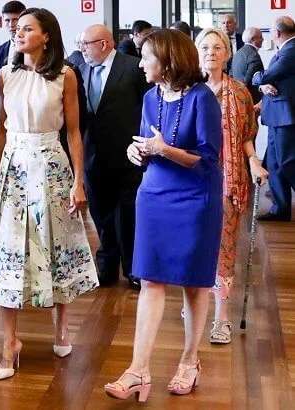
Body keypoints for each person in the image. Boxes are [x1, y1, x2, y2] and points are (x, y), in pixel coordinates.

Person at [0, 7, 99, 380]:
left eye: (27, 28)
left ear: (46, 36)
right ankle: (9, 342)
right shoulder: (4, 75)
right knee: (9, 251)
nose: (18, 32)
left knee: (57, 245)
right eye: (17, 27)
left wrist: (79, 181)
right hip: (14, 166)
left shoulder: (66, 75)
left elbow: (75, 133)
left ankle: (60, 326)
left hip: (51, 165)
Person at [105, 29, 223, 402]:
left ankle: (190, 361)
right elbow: (146, 140)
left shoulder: (202, 98)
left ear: (168, 60)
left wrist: (164, 149)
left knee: (193, 283)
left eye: (146, 57)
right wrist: (136, 152)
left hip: (195, 199)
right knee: (151, 280)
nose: (140, 64)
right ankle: (138, 369)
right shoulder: (148, 96)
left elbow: (207, 160)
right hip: (154, 195)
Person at [195, 28, 268, 344]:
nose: (211, 51)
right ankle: (195, 299)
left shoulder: (239, 92)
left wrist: (253, 161)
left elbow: (246, 135)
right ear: (197, 53)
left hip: (228, 180)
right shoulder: (188, 91)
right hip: (192, 181)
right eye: (205, 47)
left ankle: (221, 319)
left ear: (226, 53)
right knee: (195, 246)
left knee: (224, 249)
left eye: (217, 47)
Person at [78, 24, 151, 289]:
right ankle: (106, 268)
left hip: (127, 156)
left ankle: (133, 269)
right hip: (93, 157)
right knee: (101, 214)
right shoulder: (80, 70)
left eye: (85, 43)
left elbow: (148, 108)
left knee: (128, 216)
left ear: (104, 44)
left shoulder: (133, 68)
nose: (81, 48)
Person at [253, 16, 295, 222]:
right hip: (277, 116)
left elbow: (265, 76)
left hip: (286, 117)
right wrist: (262, 84)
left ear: (276, 33)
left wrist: (259, 81)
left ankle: (282, 207)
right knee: (274, 163)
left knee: (287, 162)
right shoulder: (286, 50)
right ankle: (281, 209)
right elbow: (267, 79)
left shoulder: (291, 50)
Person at [0, 1, 26, 149]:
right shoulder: (0, 51)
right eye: (7, 20)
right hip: (4, 114)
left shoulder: (35, 48)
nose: (11, 25)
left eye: (15, 20)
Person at [231, 27, 264, 103]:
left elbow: (231, 74)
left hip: (237, 96)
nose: (262, 39)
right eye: (260, 37)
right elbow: (250, 80)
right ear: (253, 39)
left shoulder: (238, 53)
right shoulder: (254, 55)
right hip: (251, 99)